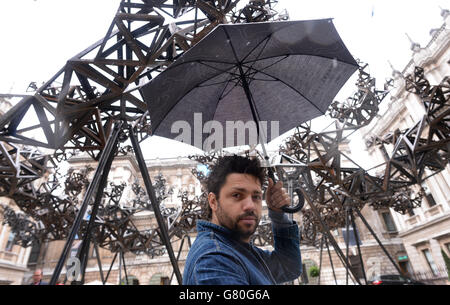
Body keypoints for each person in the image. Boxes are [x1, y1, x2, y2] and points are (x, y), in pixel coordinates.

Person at [183, 155, 302, 285]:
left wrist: (277, 214)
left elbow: (289, 268)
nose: (250, 205)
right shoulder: (214, 259)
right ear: (213, 202)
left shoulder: (236, 247)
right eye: (237, 195)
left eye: (256, 196)